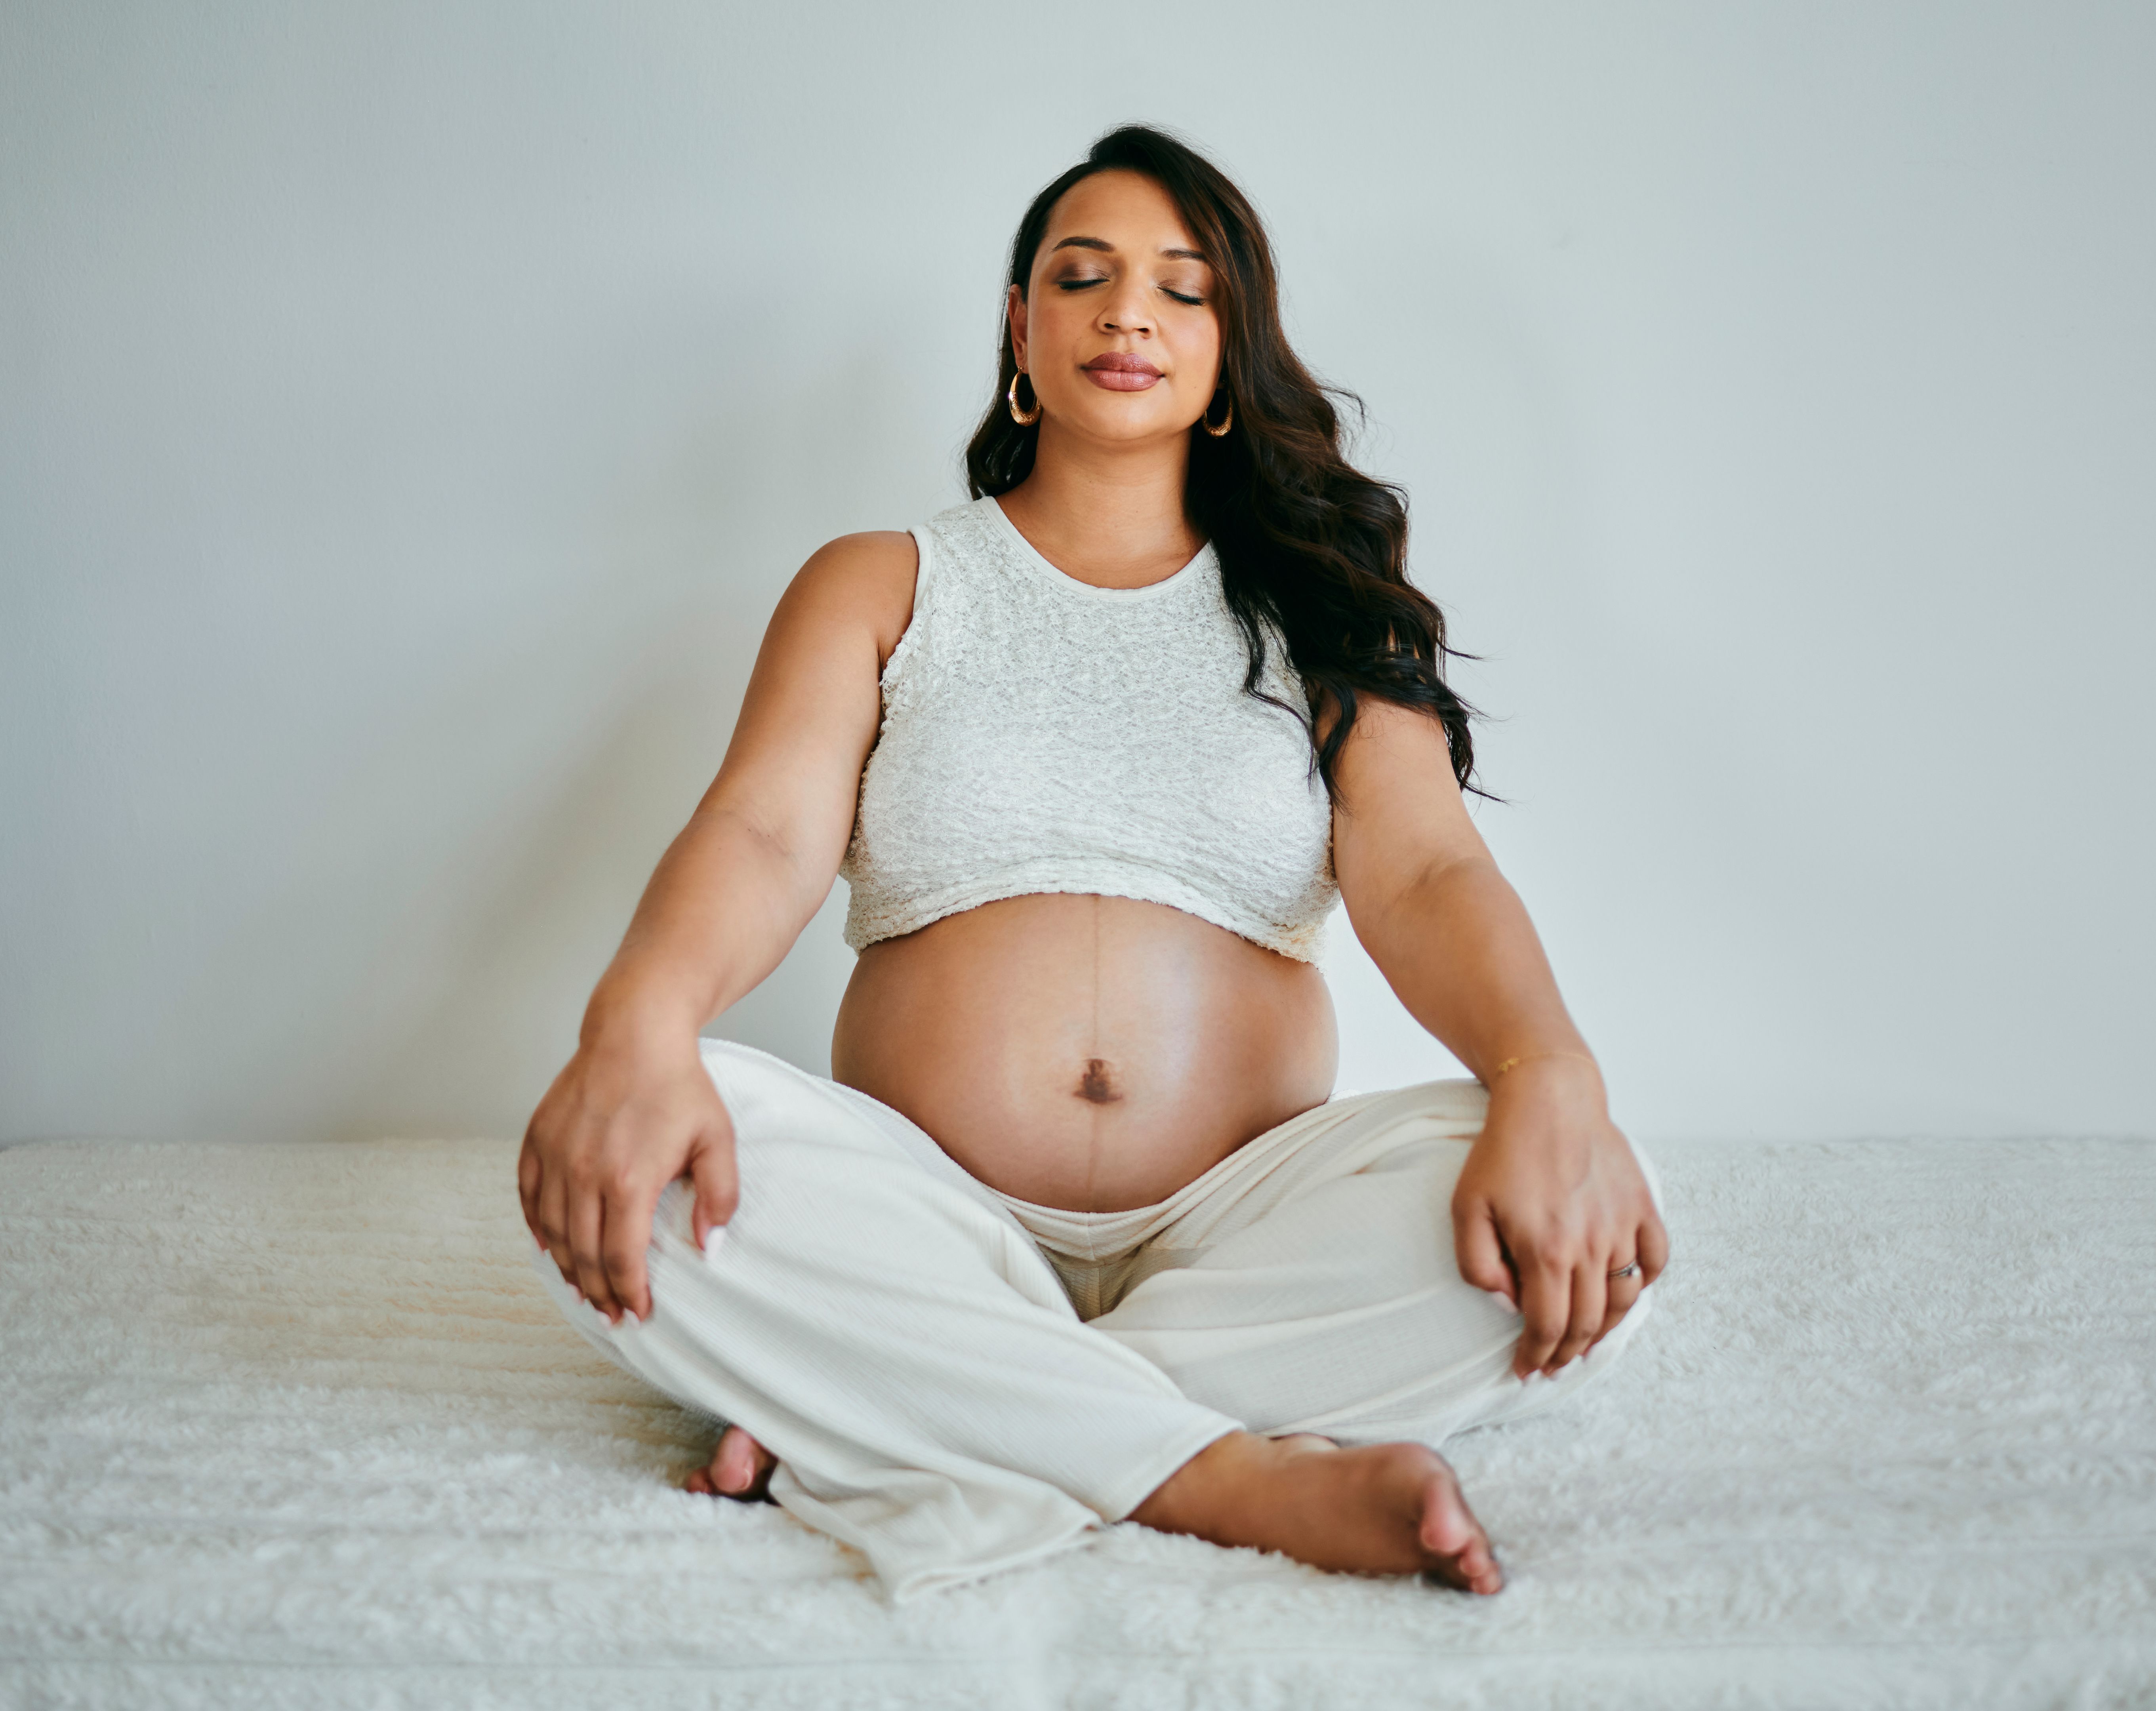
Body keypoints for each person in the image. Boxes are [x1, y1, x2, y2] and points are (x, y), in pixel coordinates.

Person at [519, 125, 1668, 1603]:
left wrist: (1549, 1073)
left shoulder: (1330, 617)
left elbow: (1429, 877)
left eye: (1183, 290)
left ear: (1231, 351)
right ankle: (1230, 1479)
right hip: (926, 1213)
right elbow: (762, 832)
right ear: (1020, 328)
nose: (1129, 313)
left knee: (1576, 1217)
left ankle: (905, 1411)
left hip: (1243, 1230)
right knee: (634, 1156)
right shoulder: (884, 583)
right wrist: (636, 1025)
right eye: (1083, 278)